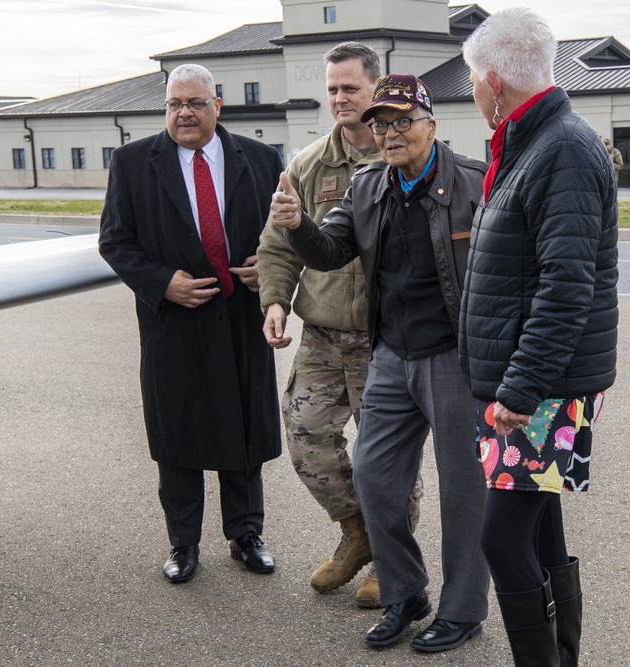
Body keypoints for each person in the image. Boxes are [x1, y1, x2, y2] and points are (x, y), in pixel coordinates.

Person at [269, 73, 490, 654]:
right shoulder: (368, 186)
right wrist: (297, 225)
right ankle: (405, 592)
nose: (391, 134)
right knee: (375, 477)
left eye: (402, 122)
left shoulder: (472, 183)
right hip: (390, 353)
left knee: (464, 491)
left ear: (430, 125)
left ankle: (463, 609)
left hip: (453, 356)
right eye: (382, 124)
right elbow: (331, 250)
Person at [460, 9, 619, 666]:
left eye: (473, 78)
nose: (472, 90)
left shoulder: (562, 150)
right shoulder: (531, 143)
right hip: (532, 381)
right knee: (541, 528)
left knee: (501, 540)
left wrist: (519, 389)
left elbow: (566, 286)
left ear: (494, 81)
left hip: (542, 388)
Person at [99, 63, 283, 584]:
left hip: (241, 320)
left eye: (196, 103)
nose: (185, 112)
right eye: (175, 103)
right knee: (177, 439)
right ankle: (183, 544)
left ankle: (246, 534)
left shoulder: (261, 159)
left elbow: (283, 235)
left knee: (243, 432)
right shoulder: (135, 163)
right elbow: (115, 242)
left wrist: (265, 269)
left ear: (216, 106)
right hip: (175, 326)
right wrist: (163, 283)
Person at [257, 42, 422, 609]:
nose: (339, 99)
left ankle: (394, 560)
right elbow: (277, 246)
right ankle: (360, 534)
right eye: (331, 89)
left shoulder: (404, 153)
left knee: (388, 456)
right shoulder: (306, 165)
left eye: (350, 88)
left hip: (387, 338)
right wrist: (275, 301)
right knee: (308, 446)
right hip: (324, 336)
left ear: (376, 90)